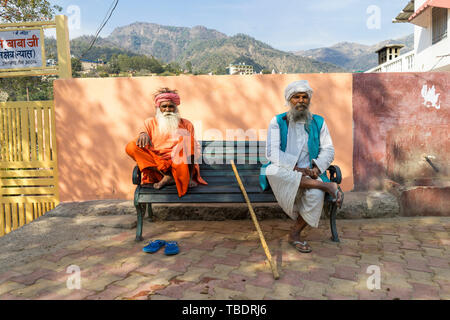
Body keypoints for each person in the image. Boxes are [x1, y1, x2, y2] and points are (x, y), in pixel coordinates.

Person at [260, 80, 343, 253]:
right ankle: (326, 186)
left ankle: (295, 234)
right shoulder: (277, 122)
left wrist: (316, 168)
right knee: (271, 170)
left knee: (315, 195)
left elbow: (328, 150)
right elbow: (272, 153)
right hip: (285, 171)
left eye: (304, 97)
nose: (301, 101)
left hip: (311, 174)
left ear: (309, 100)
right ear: (289, 100)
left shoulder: (318, 122)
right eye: (296, 97)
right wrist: (295, 169)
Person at [126, 87, 207, 197]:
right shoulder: (149, 123)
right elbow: (141, 143)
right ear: (159, 108)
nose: (168, 110)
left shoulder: (186, 124)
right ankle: (168, 176)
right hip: (158, 169)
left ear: (176, 108)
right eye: (164, 106)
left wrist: (190, 177)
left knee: (188, 140)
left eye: (171, 106)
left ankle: (181, 178)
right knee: (131, 146)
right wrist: (143, 133)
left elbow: (193, 150)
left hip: (181, 169)